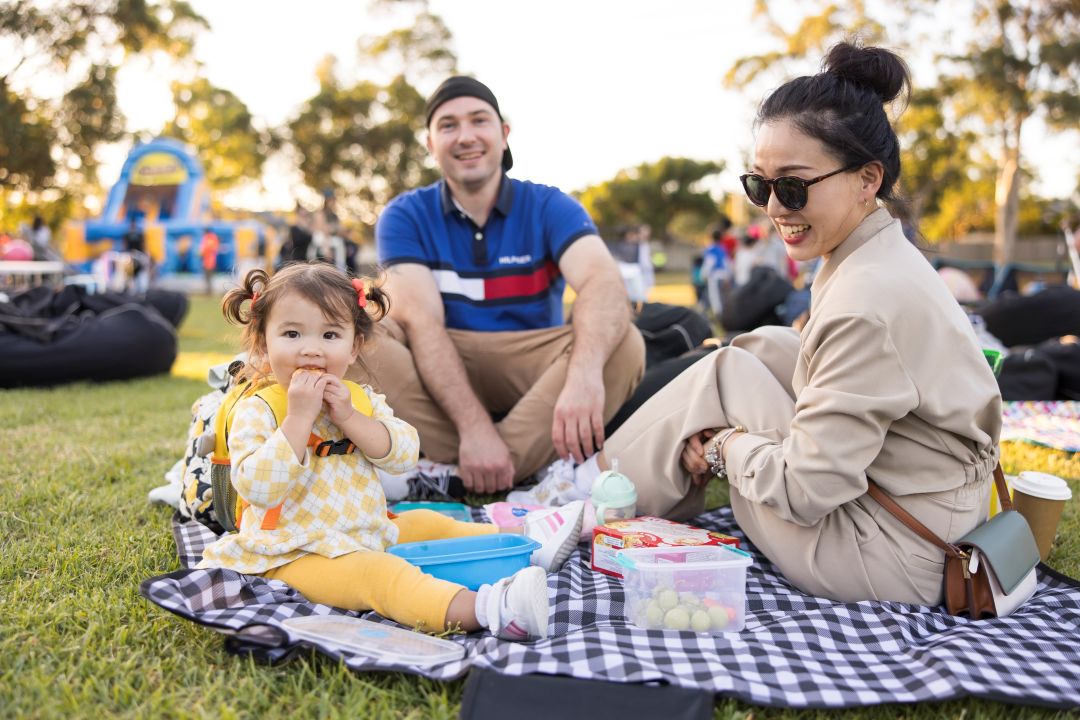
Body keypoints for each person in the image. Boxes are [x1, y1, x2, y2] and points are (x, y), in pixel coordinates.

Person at [547, 43, 1002, 606]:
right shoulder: (873, 254)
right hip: (925, 509)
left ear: (867, 179)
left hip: (894, 552)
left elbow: (805, 490)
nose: (774, 208)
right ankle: (593, 482)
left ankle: (588, 494)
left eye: (793, 186)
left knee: (726, 379)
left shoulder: (866, 296)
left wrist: (723, 448)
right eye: (760, 185)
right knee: (753, 351)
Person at [195, 262, 586, 639]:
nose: (311, 350)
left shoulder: (358, 400)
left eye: (330, 336)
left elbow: (404, 456)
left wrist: (351, 419)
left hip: (361, 531)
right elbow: (259, 489)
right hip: (292, 553)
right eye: (292, 334)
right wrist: (297, 419)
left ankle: (527, 540)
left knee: (424, 523)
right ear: (263, 345)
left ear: (353, 347)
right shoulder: (257, 410)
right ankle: (491, 610)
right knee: (379, 575)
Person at [348, 76, 645, 493]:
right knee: (356, 335)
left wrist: (583, 377)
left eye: (479, 121)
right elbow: (421, 322)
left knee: (623, 342)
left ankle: (463, 472)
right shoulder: (406, 213)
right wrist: (474, 428)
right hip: (441, 359)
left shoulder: (548, 204)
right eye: (448, 125)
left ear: (503, 135)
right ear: (431, 144)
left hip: (531, 361)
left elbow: (603, 283)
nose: (466, 136)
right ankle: (509, 468)